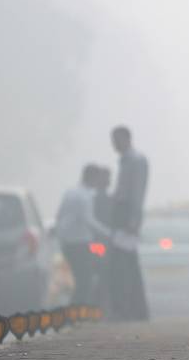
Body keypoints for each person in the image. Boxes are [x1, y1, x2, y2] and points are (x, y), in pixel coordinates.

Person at [108, 126, 150, 321]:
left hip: (127, 216)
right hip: (121, 215)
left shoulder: (136, 161)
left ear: (126, 138)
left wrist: (134, 220)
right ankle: (134, 310)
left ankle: (133, 310)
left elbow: (137, 193)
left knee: (125, 266)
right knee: (126, 265)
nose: (114, 144)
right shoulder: (125, 161)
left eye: (116, 140)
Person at [55, 164, 111, 305]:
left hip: (67, 243)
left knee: (81, 279)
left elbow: (59, 216)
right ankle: (75, 314)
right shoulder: (86, 196)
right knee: (85, 281)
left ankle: (76, 314)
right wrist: (109, 234)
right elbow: (88, 220)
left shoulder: (70, 192)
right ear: (92, 177)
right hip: (81, 243)